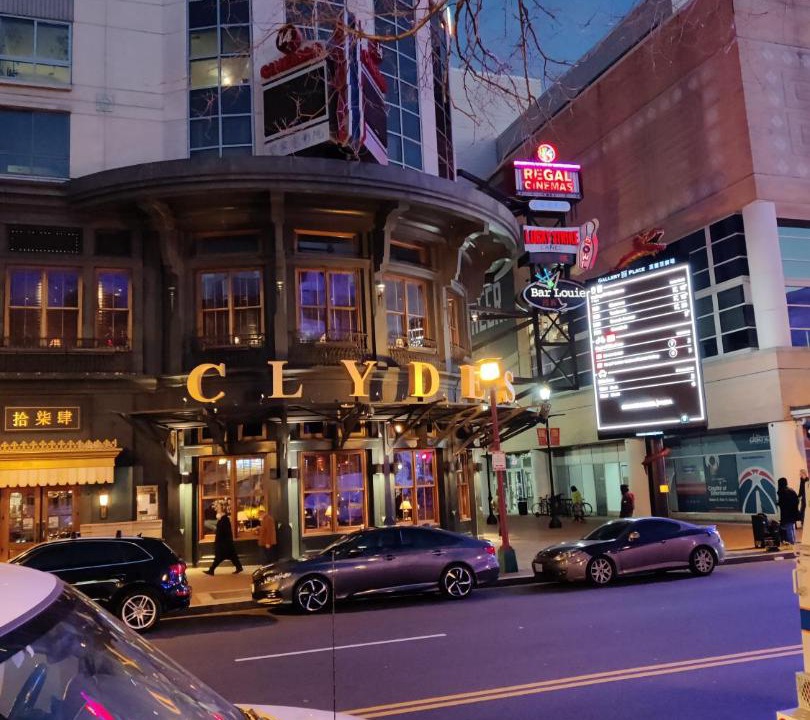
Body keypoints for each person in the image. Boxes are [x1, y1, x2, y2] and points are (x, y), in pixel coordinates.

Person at [204, 504, 243, 575]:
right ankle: (239, 567)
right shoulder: (222, 520)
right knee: (232, 556)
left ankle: (211, 570)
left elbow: (224, 531)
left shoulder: (224, 520)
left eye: (218, 509)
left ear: (222, 512)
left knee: (219, 557)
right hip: (225, 543)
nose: (216, 511)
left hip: (224, 543)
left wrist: (220, 541)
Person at [777, 477, 800, 545]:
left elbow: (782, 502)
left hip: (786, 513)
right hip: (793, 512)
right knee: (792, 527)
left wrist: (779, 503)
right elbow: (796, 500)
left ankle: (791, 542)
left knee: (788, 527)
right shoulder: (791, 490)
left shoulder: (782, 491)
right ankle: (793, 540)